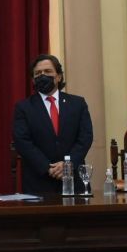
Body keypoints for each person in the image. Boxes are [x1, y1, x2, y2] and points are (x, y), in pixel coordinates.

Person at [12, 54, 93, 194]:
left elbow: (85, 137)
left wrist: (68, 165)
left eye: (48, 71)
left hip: (74, 180)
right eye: (38, 73)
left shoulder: (77, 104)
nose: (42, 75)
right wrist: (48, 168)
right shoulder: (24, 107)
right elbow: (22, 141)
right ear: (33, 79)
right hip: (39, 182)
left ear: (59, 76)